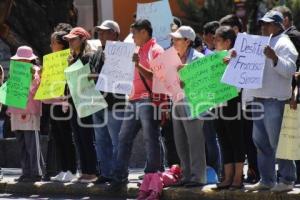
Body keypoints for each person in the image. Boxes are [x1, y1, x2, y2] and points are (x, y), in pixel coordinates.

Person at [108, 19, 164, 191]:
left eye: (134, 33)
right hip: (133, 100)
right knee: (124, 138)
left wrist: (137, 65)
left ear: (144, 32)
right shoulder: (136, 50)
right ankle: (119, 177)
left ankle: (152, 176)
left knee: (150, 139)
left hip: (148, 101)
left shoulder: (156, 50)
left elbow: (157, 78)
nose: (132, 37)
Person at [246, 10, 298, 193]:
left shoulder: (285, 43)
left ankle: (287, 179)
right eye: (262, 24)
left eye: (267, 23)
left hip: (275, 101)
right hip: (259, 100)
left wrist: (275, 57)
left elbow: (290, 69)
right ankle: (267, 179)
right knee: (261, 143)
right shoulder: (259, 42)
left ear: (278, 25)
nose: (263, 27)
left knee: (279, 143)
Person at [89, 20, 126, 184]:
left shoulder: (123, 52)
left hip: (115, 103)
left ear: (115, 34)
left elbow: (121, 78)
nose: (101, 35)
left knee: (117, 140)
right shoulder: (97, 52)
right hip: (98, 102)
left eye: (105, 31)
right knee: (101, 140)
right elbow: (92, 73)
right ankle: (106, 173)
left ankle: (120, 173)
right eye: (99, 32)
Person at [171, 26, 207, 187]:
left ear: (187, 41)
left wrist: (187, 80)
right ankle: (186, 175)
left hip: (193, 103)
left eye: (177, 39)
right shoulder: (172, 57)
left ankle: (198, 177)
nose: (174, 41)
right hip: (176, 102)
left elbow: (203, 82)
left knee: (194, 141)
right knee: (180, 141)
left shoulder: (198, 58)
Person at [211, 26, 245, 190]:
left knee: (235, 140)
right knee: (223, 140)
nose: (214, 43)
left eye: (217, 40)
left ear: (227, 42)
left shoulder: (237, 57)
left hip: (232, 103)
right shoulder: (213, 59)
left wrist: (232, 63)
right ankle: (228, 176)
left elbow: (241, 83)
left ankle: (238, 177)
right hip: (217, 104)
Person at [63, 27, 98, 183]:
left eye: (73, 39)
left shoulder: (88, 56)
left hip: (86, 102)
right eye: (69, 40)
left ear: (83, 40)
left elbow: (91, 78)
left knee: (86, 137)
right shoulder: (71, 58)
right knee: (78, 138)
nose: (70, 42)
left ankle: (92, 171)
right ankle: (84, 170)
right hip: (73, 102)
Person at [43, 31, 77, 183]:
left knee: (66, 137)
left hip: (65, 103)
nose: (51, 45)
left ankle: (72, 169)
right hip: (53, 103)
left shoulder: (69, 59)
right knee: (58, 138)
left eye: (53, 42)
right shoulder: (51, 62)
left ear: (61, 44)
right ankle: (63, 169)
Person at [7, 46, 44, 182]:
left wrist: (32, 78)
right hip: (16, 111)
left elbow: (36, 91)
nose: (21, 61)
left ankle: (36, 172)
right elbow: (11, 90)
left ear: (30, 60)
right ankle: (26, 171)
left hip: (30, 112)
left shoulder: (36, 72)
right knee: (22, 143)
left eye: (23, 59)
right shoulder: (15, 71)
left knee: (32, 144)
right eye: (19, 59)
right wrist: (9, 109)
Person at [273, 5, 300, 184]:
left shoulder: (292, 37)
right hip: (289, 91)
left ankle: (291, 176)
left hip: (292, 92)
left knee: (292, 135)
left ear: (286, 20)